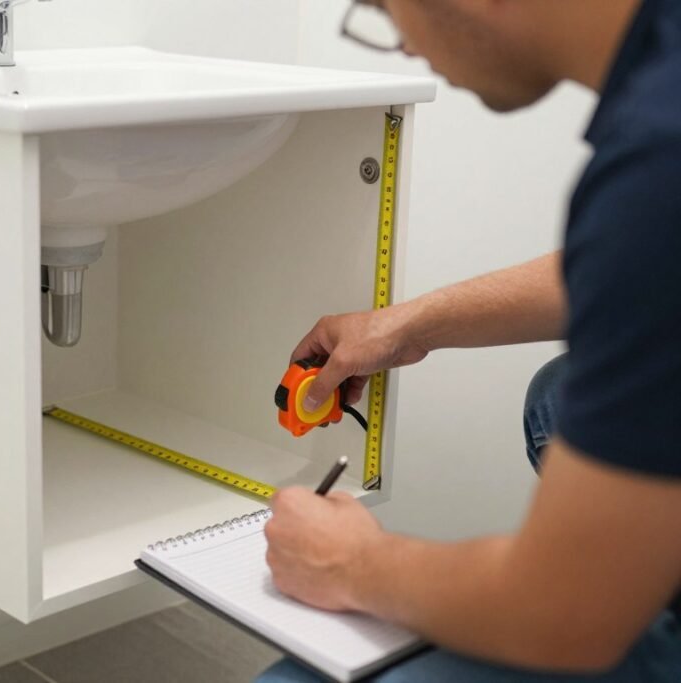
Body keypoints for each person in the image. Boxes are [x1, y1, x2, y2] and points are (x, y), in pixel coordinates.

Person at [258, 0, 681, 681]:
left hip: (572, 610)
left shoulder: (662, 155)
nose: (400, 45)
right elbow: (643, 275)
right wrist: (409, 324)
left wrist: (352, 563)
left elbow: (563, 612)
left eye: (384, 7)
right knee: (560, 397)